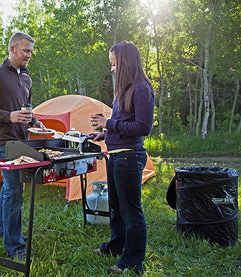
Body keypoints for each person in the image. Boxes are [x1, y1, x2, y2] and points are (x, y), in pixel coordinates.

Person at [0, 31, 45, 261]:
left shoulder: (26, 78)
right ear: (13, 49)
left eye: (31, 52)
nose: (29, 55)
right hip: (3, 140)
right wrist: (8, 116)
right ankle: (15, 247)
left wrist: (35, 121)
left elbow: (26, 108)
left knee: (10, 188)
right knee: (15, 190)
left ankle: (1, 229)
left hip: (22, 140)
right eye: (26, 51)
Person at [90, 41, 155, 275]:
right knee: (116, 209)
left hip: (129, 157)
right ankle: (116, 246)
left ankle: (132, 261)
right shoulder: (123, 91)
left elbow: (143, 127)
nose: (112, 69)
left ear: (125, 63)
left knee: (131, 211)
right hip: (115, 156)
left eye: (115, 64)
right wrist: (104, 134)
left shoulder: (141, 89)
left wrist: (109, 123)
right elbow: (124, 124)